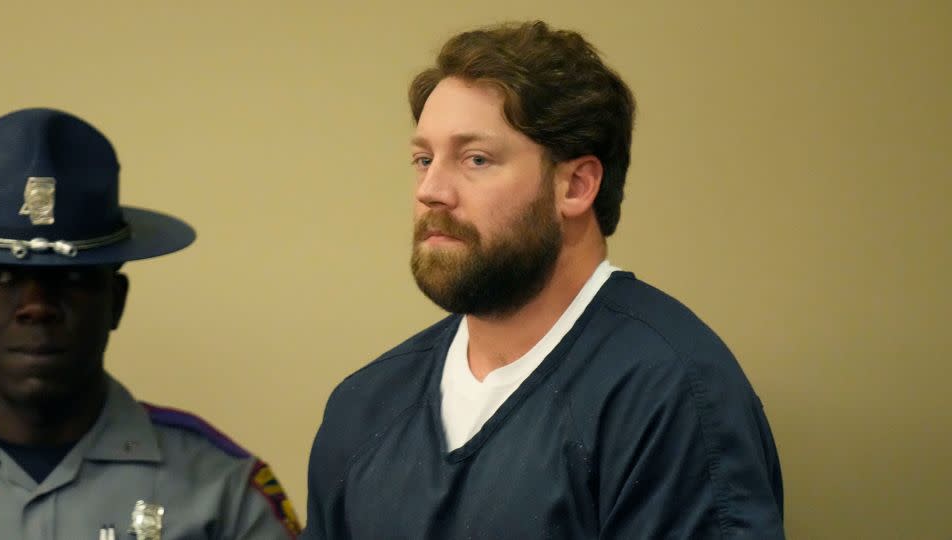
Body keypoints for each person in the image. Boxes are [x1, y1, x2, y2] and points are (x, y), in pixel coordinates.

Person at [302, 20, 784, 539]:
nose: (431, 190)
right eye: (423, 159)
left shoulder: (669, 393)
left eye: (476, 159)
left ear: (576, 185)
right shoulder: (365, 404)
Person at [0, 108, 301, 539]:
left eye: (72, 278)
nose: (36, 306)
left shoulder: (222, 491)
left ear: (115, 302)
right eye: (3, 277)